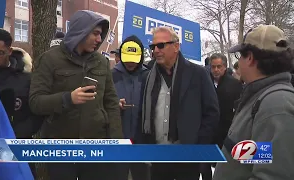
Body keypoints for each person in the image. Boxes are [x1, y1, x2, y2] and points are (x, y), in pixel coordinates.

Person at [29, 10, 122, 180]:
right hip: (61, 146)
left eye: (101, 35)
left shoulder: (101, 62)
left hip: (95, 145)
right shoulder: (49, 60)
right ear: (81, 30)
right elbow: (35, 102)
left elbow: (111, 103)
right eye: (95, 33)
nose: (99, 40)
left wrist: (115, 142)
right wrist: (67, 99)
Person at [213, 25, 294, 180]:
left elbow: (274, 175)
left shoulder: (276, 105)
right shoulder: (261, 97)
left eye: (240, 57)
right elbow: (261, 155)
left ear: (249, 58)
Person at [138, 26, 220, 180]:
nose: (155, 50)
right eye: (153, 46)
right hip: (158, 155)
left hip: (187, 156)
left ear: (176, 46)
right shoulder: (147, 77)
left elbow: (212, 113)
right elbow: (142, 114)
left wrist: (198, 147)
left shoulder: (198, 74)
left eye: (161, 45)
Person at [0, 28, 42, 178]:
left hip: (19, 146)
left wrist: (20, 134)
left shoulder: (26, 79)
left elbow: (37, 112)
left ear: (9, 51)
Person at [112, 35, 150, 180]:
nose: (130, 64)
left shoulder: (149, 75)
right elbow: (101, 102)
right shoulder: (112, 75)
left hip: (142, 140)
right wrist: (115, 104)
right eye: (127, 59)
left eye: (134, 60)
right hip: (119, 139)